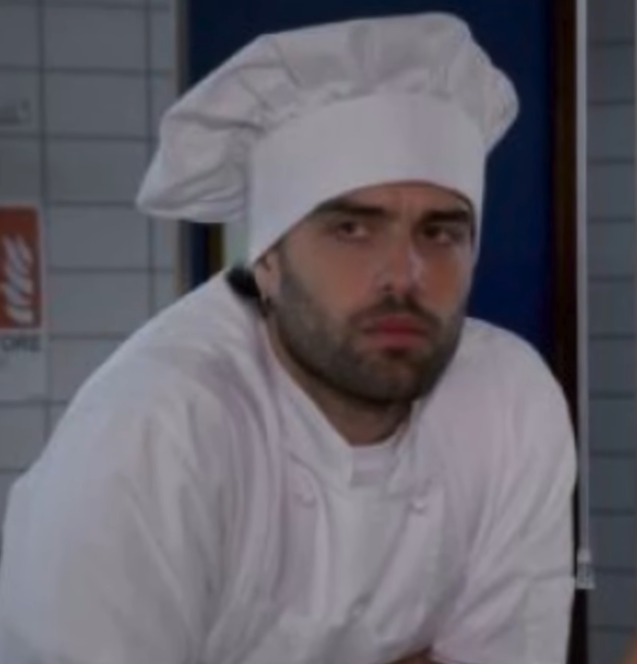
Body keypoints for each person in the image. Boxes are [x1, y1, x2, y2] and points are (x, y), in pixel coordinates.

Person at [0, 12, 576, 664]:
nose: (404, 275)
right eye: (351, 229)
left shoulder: (506, 400)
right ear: (266, 262)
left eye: (440, 232)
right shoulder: (157, 427)